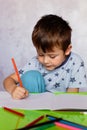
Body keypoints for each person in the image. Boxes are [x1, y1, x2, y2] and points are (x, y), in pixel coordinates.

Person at [3, 14, 87, 99]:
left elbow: (72, 98)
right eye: (41, 54)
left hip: (62, 106)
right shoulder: (35, 63)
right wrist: (13, 89)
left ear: (67, 50)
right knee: (30, 76)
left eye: (52, 56)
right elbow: (8, 80)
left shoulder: (75, 62)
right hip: (36, 106)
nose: (45, 61)